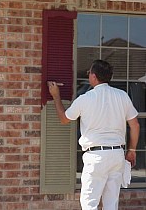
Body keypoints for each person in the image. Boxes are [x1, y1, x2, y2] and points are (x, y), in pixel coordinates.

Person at [47, 59, 140, 210]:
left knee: (89, 203)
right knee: (111, 203)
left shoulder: (85, 98)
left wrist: (56, 96)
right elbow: (135, 124)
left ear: (94, 76)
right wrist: (132, 150)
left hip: (96, 156)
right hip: (117, 154)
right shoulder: (122, 96)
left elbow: (64, 119)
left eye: (89, 72)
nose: (88, 75)